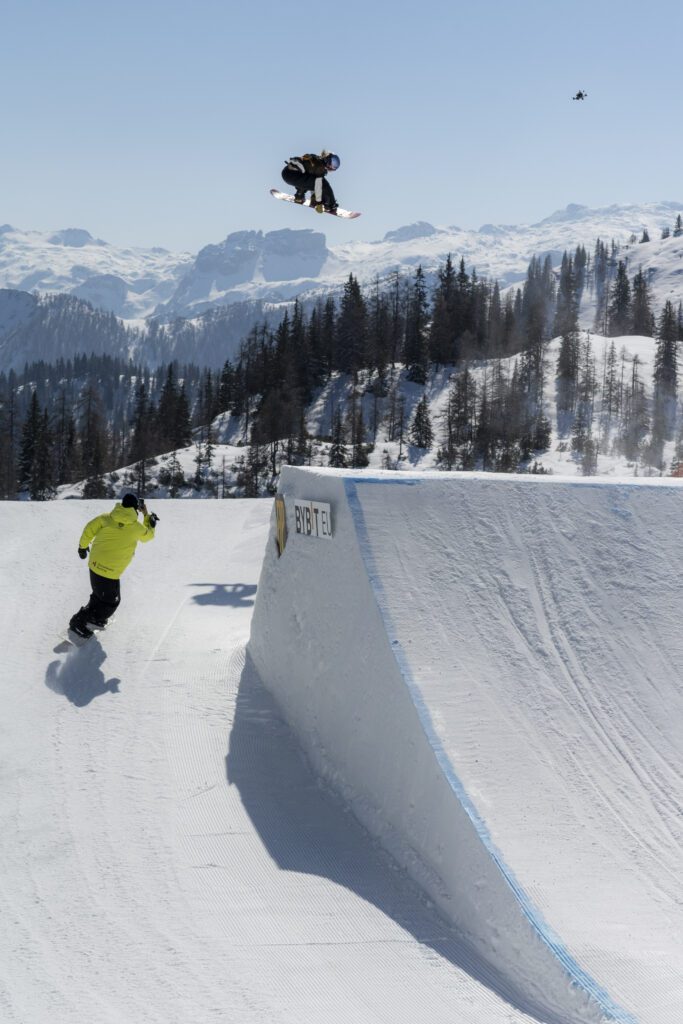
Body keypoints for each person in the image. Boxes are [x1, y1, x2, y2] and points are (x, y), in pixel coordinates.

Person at [69, 493, 158, 639]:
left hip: (95, 565)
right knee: (111, 602)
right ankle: (79, 622)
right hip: (110, 572)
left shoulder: (106, 518)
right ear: (136, 508)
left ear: (121, 504)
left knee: (100, 596)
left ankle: (92, 617)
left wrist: (82, 547)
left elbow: (89, 529)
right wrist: (147, 516)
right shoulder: (136, 528)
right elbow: (149, 536)